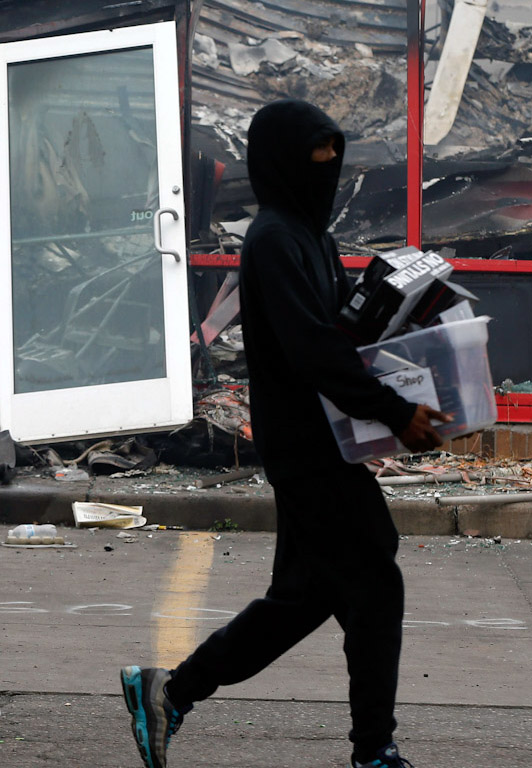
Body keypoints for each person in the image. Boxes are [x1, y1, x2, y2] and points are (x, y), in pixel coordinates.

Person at [120, 99, 450, 768]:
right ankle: (373, 752)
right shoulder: (273, 240)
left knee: (305, 595)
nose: (328, 173)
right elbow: (309, 349)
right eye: (316, 160)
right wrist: (391, 410)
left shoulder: (312, 238)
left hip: (322, 440)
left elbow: (335, 336)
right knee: (373, 577)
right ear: (280, 165)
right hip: (303, 446)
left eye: (336, 158)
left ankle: (170, 690)